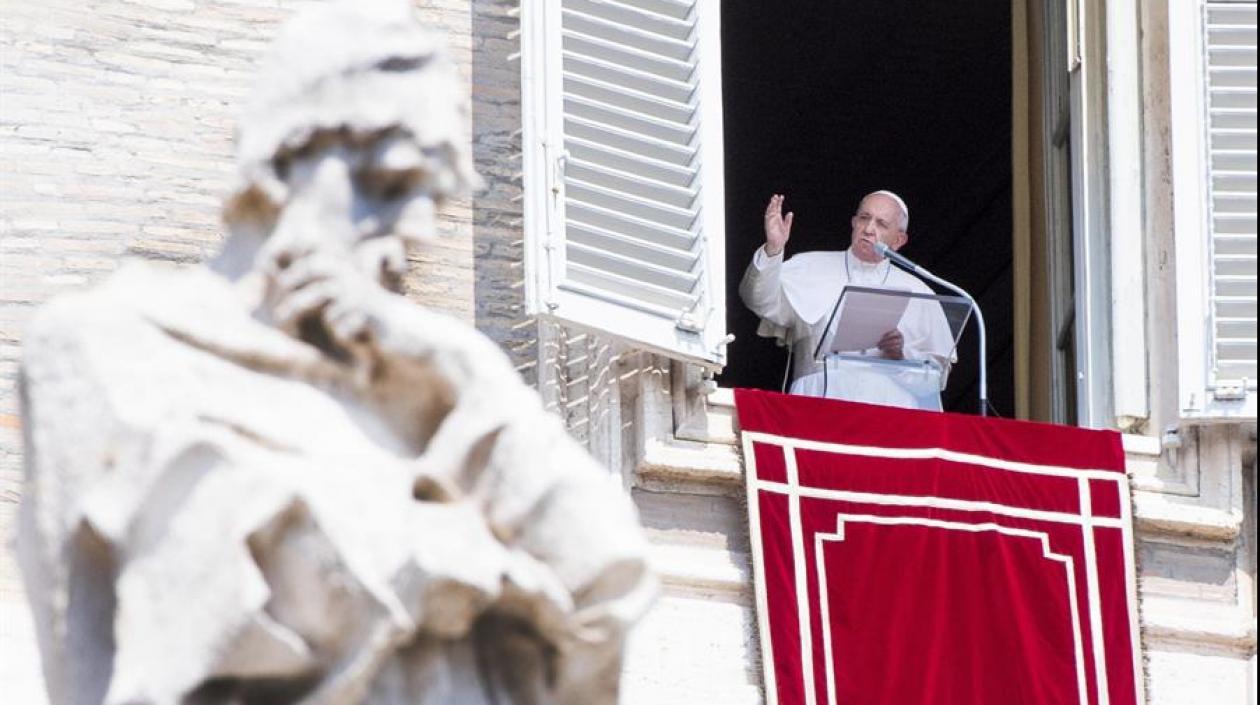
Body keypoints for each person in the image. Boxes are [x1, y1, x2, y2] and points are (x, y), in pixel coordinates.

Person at [17, 4, 652, 705]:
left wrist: (462, 376)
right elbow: (218, 601)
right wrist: (450, 559)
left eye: (427, 201)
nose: (412, 228)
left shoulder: (438, 383)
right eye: (384, 182)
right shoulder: (118, 344)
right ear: (280, 160)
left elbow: (609, 578)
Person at [739, 191, 956, 410]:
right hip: (817, 404)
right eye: (864, 218)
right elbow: (758, 299)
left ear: (899, 239)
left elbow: (936, 379)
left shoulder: (920, 292)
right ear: (853, 223)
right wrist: (773, 249)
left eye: (881, 224)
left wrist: (901, 355)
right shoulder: (810, 266)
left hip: (892, 414)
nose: (869, 229)